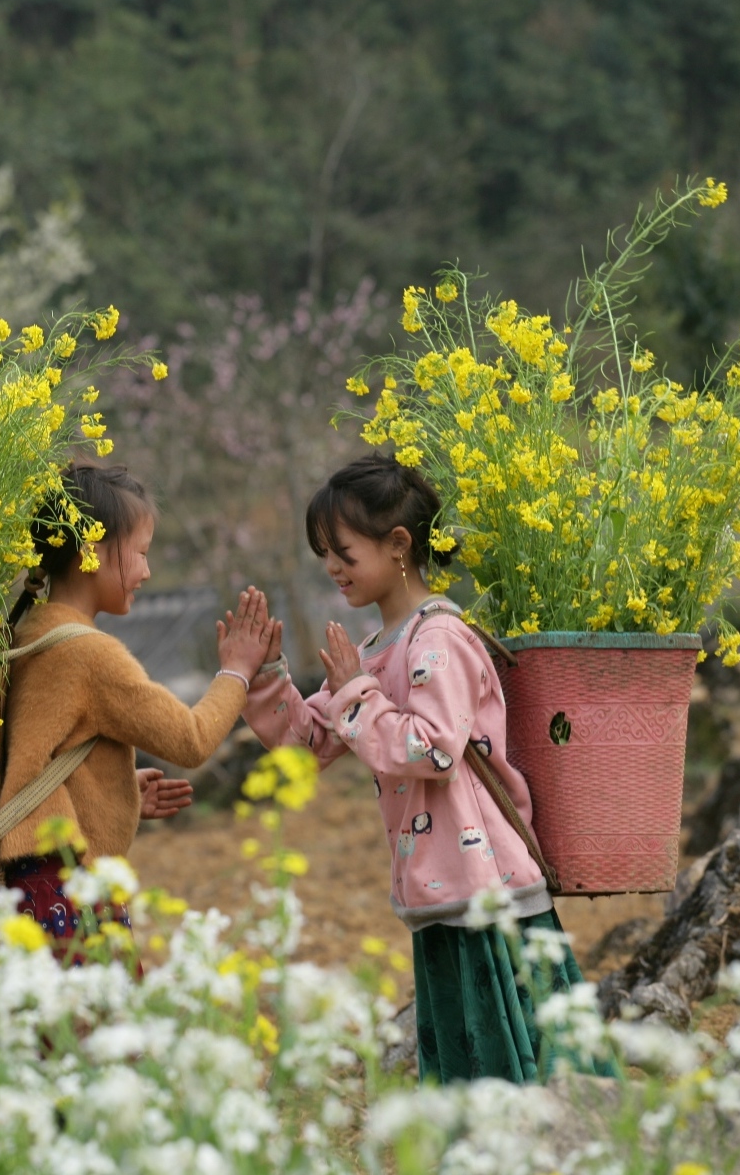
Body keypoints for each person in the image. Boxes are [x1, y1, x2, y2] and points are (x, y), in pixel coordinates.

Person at [239, 452, 608, 1084]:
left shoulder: (437, 639)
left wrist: (355, 692)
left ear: (398, 544)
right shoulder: (373, 653)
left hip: (486, 886)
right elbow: (309, 747)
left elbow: (433, 749)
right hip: (438, 886)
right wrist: (265, 675)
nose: (331, 568)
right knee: (476, 1065)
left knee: (525, 1068)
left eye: (344, 552)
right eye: (324, 554)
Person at [0, 462, 273, 963]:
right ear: (91, 552)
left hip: (31, 883)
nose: (146, 572)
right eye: (141, 554)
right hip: (70, 885)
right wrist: (236, 671)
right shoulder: (90, 654)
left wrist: (114, 794)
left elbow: (42, 757)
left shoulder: (32, 631)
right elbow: (191, 740)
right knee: (102, 1012)